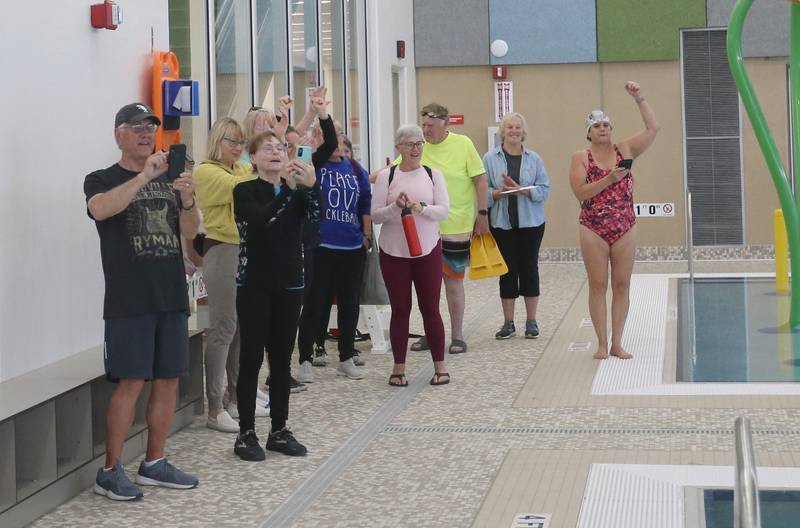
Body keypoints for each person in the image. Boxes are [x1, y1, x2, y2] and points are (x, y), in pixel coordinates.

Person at [85, 102, 199, 500]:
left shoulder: (170, 177)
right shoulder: (100, 178)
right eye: (136, 127)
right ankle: (110, 470)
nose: (146, 133)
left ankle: (154, 462)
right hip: (129, 299)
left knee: (168, 380)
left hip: (170, 294)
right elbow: (100, 210)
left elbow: (190, 233)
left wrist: (187, 200)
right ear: (119, 134)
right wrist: (144, 176)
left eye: (150, 127)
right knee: (131, 382)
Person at [232, 131, 320, 461]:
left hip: (290, 282)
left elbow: (314, 224)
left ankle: (279, 430)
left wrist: (311, 188)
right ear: (251, 158)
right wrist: (286, 189)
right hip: (254, 283)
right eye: (266, 148)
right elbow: (260, 220)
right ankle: (246, 433)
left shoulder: (294, 190)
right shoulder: (244, 190)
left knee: (281, 359)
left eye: (280, 147)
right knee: (252, 357)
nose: (275, 152)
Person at [569, 81, 659, 360]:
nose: (603, 129)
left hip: (624, 226)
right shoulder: (581, 157)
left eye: (606, 125)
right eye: (597, 126)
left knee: (622, 284)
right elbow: (580, 192)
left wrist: (639, 98)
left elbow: (653, 129)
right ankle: (600, 343)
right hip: (593, 226)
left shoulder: (626, 149)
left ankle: (617, 343)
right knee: (598, 285)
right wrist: (610, 179)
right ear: (588, 132)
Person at [194, 117, 270, 432]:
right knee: (223, 327)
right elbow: (249, 189)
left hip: (244, 251)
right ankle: (214, 407)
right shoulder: (206, 171)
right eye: (233, 142)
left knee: (240, 328)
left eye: (241, 142)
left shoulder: (238, 169)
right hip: (222, 249)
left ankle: (236, 397)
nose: (238, 148)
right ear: (217, 142)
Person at [295, 105, 372, 383]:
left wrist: (366, 235)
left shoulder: (353, 167)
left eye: (341, 136)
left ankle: (346, 356)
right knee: (315, 303)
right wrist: (319, 116)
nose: (338, 142)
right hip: (321, 245)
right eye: (333, 136)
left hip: (351, 246)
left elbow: (365, 200)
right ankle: (305, 357)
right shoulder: (315, 163)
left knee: (350, 304)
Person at [372, 125, 450, 386]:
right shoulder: (387, 176)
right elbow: (375, 215)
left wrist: (421, 208)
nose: (416, 149)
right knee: (400, 309)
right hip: (394, 251)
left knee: (430, 308)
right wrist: (396, 206)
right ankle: (398, 368)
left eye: (419, 144)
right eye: (410, 144)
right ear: (399, 148)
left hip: (428, 249)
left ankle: (440, 366)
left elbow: (444, 211)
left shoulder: (432, 174)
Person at [409, 103, 488, 354]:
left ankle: (457, 335)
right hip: (424, 225)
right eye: (423, 126)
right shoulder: (417, 147)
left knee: (453, 281)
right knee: (425, 284)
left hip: (456, 225)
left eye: (430, 126)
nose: (426, 130)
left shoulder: (463, 144)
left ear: (446, 123)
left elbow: (480, 180)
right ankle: (430, 333)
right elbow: (394, 170)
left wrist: (482, 214)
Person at [483, 112, 550, 339]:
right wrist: (499, 193)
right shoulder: (490, 158)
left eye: (517, 128)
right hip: (502, 224)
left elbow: (544, 190)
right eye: (509, 127)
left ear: (523, 132)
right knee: (507, 271)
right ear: (503, 131)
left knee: (529, 269)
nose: (513, 131)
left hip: (531, 223)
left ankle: (531, 322)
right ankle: (508, 323)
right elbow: (484, 192)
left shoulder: (535, 159)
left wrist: (520, 189)